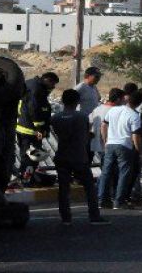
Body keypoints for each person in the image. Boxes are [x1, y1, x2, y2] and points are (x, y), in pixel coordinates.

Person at [52, 89, 110, 226]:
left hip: (62, 155)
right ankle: (94, 216)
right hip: (79, 156)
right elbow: (85, 136)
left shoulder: (55, 118)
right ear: (77, 101)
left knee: (63, 188)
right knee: (89, 187)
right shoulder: (81, 117)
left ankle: (66, 218)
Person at [99, 90, 142, 209]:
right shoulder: (134, 115)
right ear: (139, 103)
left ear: (127, 99)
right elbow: (135, 136)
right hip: (124, 146)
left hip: (110, 144)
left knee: (106, 172)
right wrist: (139, 151)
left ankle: (102, 200)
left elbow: (103, 125)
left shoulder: (113, 110)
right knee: (124, 173)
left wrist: (105, 141)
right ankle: (119, 201)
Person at [16, 72, 59, 185]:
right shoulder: (37, 90)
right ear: (48, 80)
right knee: (32, 157)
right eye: (52, 84)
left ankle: (26, 177)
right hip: (31, 130)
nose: (52, 87)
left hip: (23, 126)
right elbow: (34, 109)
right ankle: (27, 180)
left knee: (26, 155)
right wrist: (39, 128)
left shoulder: (30, 83)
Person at [90, 88, 124, 207]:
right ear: (119, 99)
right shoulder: (116, 111)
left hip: (98, 145)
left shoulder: (97, 109)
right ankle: (103, 197)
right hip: (110, 145)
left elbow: (89, 123)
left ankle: (105, 196)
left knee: (107, 170)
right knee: (109, 171)